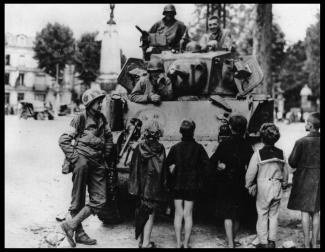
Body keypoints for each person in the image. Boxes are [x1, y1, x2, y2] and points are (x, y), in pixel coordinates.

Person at [59, 89, 113, 247]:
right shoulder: (80, 118)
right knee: (78, 200)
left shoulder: (102, 118)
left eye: (101, 101)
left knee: (100, 199)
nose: (101, 104)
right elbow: (63, 140)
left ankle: (71, 225)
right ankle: (80, 234)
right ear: (89, 104)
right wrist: (76, 158)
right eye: (98, 102)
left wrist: (107, 153)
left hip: (98, 162)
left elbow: (108, 137)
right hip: (82, 162)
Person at [209, 114, 254, 248]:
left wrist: (220, 168)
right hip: (241, 182)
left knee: (228, 214)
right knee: (238, 215)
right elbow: (251, 165)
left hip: (226, 183)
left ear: (229, 127)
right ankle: (233, 239)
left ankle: (229, 243)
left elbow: (212, 162)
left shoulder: (224, 144)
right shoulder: (247, 145)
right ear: (245, 128)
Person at [166, 119, 209, 248]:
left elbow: (167, 165)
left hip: (177, 184)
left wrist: (171, 178)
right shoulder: (199, 148)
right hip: (192, 185)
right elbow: (207, 166)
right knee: (188, 214)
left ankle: (178, 243)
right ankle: (186, 244)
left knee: (178, 214)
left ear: (180, 132)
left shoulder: (175, 148)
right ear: (193, 131)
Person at [245, 123, 289, 248]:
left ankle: (263, 241)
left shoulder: (258, 154)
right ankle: (272, 240)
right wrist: (284, 183)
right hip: (277, 184)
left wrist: (248, 185)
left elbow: (251, 172)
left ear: (262, 138)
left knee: (262, 213)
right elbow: (285, 171)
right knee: (273, 215)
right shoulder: (281, 154)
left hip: (264, 185)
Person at [128, 120, 168, 248]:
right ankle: (146, 243)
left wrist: (134, 187)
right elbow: (163, 170)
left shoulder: (139, 147)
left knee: (141, 212)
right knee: (150, 215)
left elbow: (133, 168)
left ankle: (142, 241)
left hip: (141, 185)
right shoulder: (160, 148)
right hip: (153, 186)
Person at [287, 112, 320, 248]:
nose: (305, 124)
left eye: (307, 122)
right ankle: (314, 242)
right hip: (319, 179)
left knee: (305, 212)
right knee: (316, 212)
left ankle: (306, 244)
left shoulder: (300, 142)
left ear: (310, 125)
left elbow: (292, 162)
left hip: (304, 179)